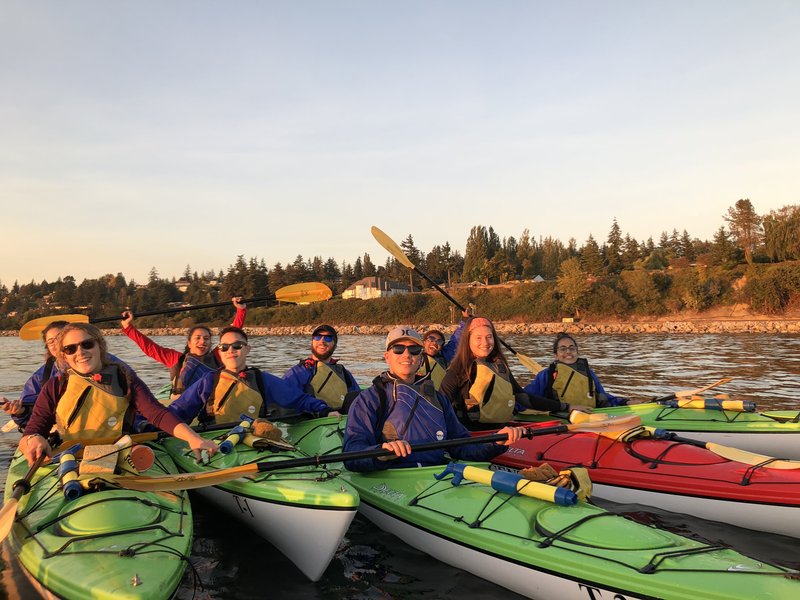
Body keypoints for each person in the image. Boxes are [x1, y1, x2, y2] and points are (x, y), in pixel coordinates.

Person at [18, 323, 217, 467]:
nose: (80, 352)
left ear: (100, 346)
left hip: (120, 454)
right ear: (64, 356)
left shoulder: (125, 379)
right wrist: (33, 439)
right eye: (70, 349)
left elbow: (157, 413)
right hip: (72, 457)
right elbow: (35, 427)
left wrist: (193, 438)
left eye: (87, 344)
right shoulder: (56, 386)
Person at [343, 326, 524, 472]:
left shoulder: (437, 398)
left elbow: (461, 445)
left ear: (421, 359)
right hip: (394, 475)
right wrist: (381, 452)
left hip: (437, 475)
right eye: (398, 349)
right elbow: (352, 452)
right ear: (387, 357)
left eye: (414, 350)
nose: (407, 355)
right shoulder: (369, 398)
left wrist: (496, 442)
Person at [168, 326, 335, 426]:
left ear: (247, 349)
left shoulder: (263, 380)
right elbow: (178, 411)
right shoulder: (209, 381)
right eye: (225, 347)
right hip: (214, 442)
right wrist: (149, 425)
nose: (231, 350)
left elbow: (298, 399)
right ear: (219, 351)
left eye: (237, 346)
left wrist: (324, 410)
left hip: (254, 441)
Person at [440, 317, 578, 431]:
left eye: (489, 337)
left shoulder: (499, 366)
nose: (485, 343)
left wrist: (566, 407)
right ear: (467, 340)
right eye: (478, 338)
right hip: (471, 435)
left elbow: (524, 398)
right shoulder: (458, 370)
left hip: (502, 431)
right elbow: (440, 406)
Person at [120, 297, 246, 399]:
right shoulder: (176, 358)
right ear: (189, 343)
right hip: (181, 405)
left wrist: (241, 311)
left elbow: (233, 336)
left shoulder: (218, 356)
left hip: (209, 405)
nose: (202, 342)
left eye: (206, 339)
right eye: (198, 338)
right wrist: (128, 327)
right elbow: (149, 347)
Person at [524, 332, 629, 408]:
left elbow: (602, 396)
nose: (568, 351)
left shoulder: (589, 374)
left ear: (577, 352)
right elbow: (527, 398)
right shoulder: (547, 375)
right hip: (560, 419)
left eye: (572, 348)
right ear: (556, 355)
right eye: (563, 349)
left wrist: (624, 402)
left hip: (589, 417)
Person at [282, 324, 360, 411]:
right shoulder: (298, 372)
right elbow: (284, 397)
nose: (322, 341)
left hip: (342, 419)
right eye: (317, 337)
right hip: (314, 419)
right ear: (312, 342)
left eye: (328, 338)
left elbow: (359, 400)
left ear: (335, 345)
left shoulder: (344, 373)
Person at [418, 308, 472, 390]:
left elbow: (456, 340)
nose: (435, 343)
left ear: (442, 346)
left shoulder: (445, 356)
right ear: (424, 342)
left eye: (439, 341)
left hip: (441, 396)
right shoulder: (415, 357)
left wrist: (465, 320)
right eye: (431, 339)